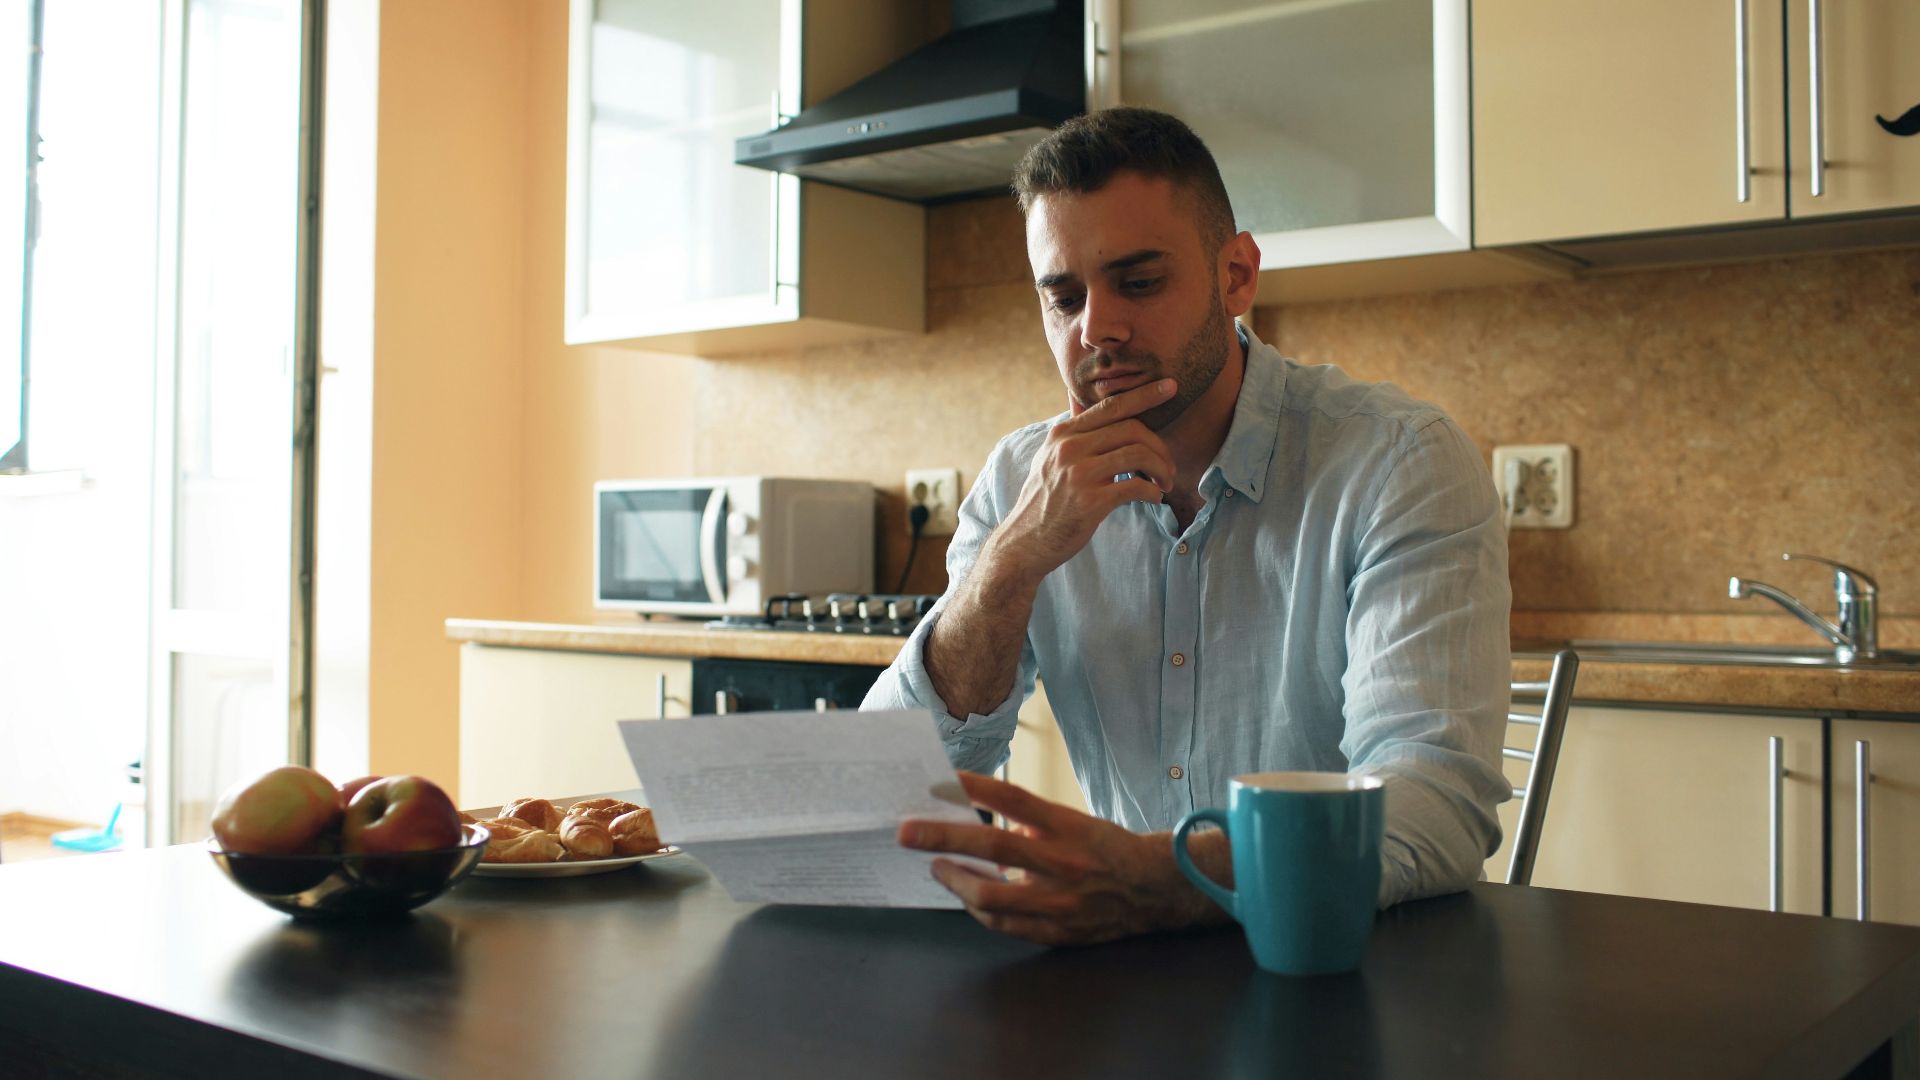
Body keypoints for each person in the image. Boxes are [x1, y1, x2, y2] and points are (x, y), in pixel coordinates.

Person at [862, 107, 1511, 945]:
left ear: (1236, 274)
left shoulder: (1399, 463)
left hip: (1352, 968)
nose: (1096, 329)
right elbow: (886, 789)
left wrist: (1158, 880)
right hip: (1127, 976)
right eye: (1063, 298)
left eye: (1138, 282)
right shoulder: (1023, 482)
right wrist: (1010, 564)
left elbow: (1432, 804)